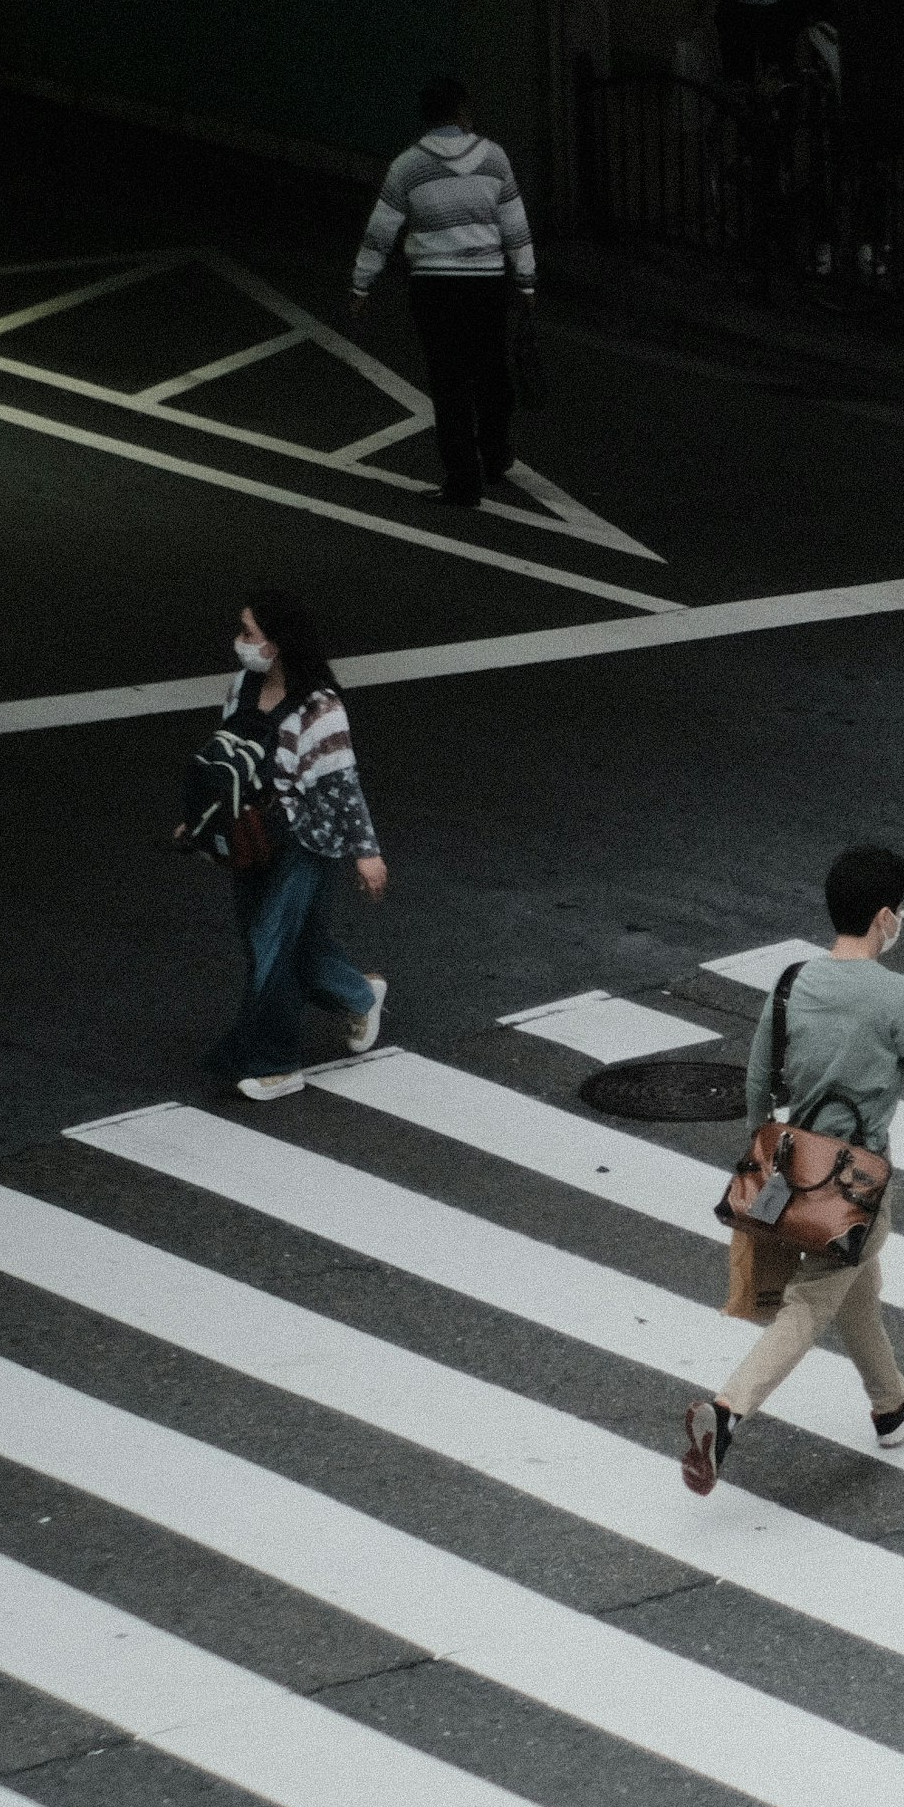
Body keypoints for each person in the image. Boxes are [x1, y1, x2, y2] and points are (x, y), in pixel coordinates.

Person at [683, 844, 904, 1495]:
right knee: (809, 1304)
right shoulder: (898, 994)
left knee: (856, 1285)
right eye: (900, 911)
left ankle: (891, 1404)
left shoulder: (793, 981)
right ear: (885, 916)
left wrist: (768, 1151)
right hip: (856, 1183)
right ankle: (725, 1412)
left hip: (794, 1171)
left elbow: (754, 1081)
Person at [196, 595, 387, 1101]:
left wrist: (365, 852)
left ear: (277, 645)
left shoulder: (319, 706)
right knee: (291, 945)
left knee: (271, 946)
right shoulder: (241, 686)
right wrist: (199, 821)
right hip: (248, 834)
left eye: (250, 633)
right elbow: (226, 760)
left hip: (304, 841)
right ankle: (360, 994)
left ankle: (277, 1063)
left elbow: (342, 783)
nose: (241, 642)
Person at [348, 79, 537, 511]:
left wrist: (362, 284)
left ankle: (463, 482)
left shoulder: (406, 166)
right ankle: (495, 452)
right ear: (462, 111)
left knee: (449, 382)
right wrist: (526, 280)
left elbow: (380, 233)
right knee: (491, 370)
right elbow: (515, 222)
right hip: (487, 283)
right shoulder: (494, 157)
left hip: (434, 286)